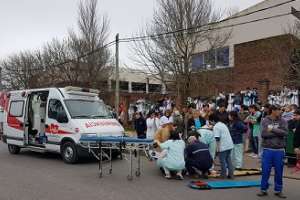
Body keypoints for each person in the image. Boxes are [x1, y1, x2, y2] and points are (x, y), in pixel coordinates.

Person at [257, 105, 288, 198]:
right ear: (273, 111)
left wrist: (273, 129)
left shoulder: (283, 121)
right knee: (265, 170)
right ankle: (263, 189)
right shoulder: (265, 120)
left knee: (279, 171)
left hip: (279, 150)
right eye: (278, 110)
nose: (280, 112)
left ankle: (278, 190)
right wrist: (278, 133)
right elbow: (264, 134)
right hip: (268, 149)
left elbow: (285, 133)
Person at [210, 114, 234, 179]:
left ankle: (223, 175)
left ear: (213, 120)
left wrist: (217, 148)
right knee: (228, 160)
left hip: (223, 146)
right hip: (229, 145)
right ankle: (231, 174)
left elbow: (217, 138)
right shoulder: (222, 124)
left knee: (222, 161)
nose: (210, 123)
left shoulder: (216, 127)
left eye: (210, 121)